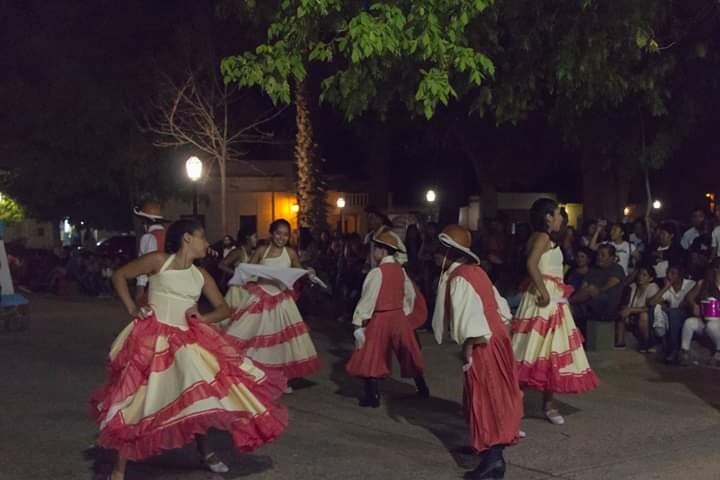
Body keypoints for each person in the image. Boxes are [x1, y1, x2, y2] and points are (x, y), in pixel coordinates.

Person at [90, 219, 287, 480]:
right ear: (187, 239)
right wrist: (132, 308)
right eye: (202, 237)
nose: (207, 243)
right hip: (152, 338)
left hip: (186, 340)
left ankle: (205, 451)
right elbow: (120, 275)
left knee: (197, 394)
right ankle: (119, 470)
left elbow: (224, 309)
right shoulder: (159, 260)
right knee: (138, 398)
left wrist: (203, 318)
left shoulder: (201, 275)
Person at [432, 225, 522, 480]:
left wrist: (469, 347)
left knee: (489, 397)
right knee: (488, 397)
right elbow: (501, 308)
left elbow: (468, 318)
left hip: (483, 343)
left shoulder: (460, 277)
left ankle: (494, 461)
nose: (436, 254)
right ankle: (485, 449)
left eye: (441, 249)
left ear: (451, 253)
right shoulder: (476, 272)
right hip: (495, 339)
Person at [512, 198, 598, 426]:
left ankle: (547, 405)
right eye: (558, 215)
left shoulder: (548, 238)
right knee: (531, 351)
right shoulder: (541, 237)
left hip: (554, 298)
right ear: (548, 217)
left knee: (551, 352)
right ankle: (515, 410)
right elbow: (531, 263)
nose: (561, 218)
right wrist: (544, 291)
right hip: (544, 299)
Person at [222, 219, 321, 390]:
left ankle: (281, 380)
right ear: (271, 233)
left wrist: (309, 272)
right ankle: (254, 375)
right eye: (278, 233)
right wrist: (240, 274)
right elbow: (248, 269)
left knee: (281, 343)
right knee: (252, 338)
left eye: (285, 234)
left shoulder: (290, 253)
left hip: (281, 301)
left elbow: (299, 271)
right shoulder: (262, 250)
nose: (282, 237)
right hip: (260, 299)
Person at [346, 231, 429, 408]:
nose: (373, 252)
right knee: (408, 352)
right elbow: (409, 294)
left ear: (382, 251)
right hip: (398, 317)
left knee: (371, 355)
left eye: (375, 249)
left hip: (381, 317)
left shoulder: (377, 273)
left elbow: (368, 299)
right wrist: (404, 312)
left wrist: (358, 323)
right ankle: (422, 387)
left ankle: (372, 396)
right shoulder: (401, 271)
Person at [648, 265, 695, 364]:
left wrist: (669, 309)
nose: (669, 275)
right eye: (668, 273)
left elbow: (686, 305)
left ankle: (674, 349)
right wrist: (665, 287)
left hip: (688, 315)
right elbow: (651, 302)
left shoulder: (690, 284)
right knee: (654, 309)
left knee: (673, 313)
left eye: (673, 273)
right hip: (673, 314)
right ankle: (656, 343)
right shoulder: (669, 288)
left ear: (680, 275)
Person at [680, 260, 720, 367]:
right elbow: (689, 297)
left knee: (711, 325)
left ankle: (718, 353)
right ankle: (684, 352)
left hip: (717, 324)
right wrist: (694, 305)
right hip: (705, 319)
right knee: (689, 322)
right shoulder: (704, 283)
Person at [615, 266, 659, 352]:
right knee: (622, 313)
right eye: (639, 274)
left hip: (650, 318)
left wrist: (631, 310)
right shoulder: (633, 286)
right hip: (633, 317)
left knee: (644, 316)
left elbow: (649, 307)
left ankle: (647, 343)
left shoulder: (652, 287)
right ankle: (620, 342)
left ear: (650, 278)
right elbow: (626, 303)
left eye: (644, 275)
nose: (640, 277)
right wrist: (626, 309)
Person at [133, 201, 168, 304]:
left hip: (154, 286)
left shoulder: (147, 237)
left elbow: (145, 265)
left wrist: (140, 288)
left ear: (145, 222)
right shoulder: (169, 236)